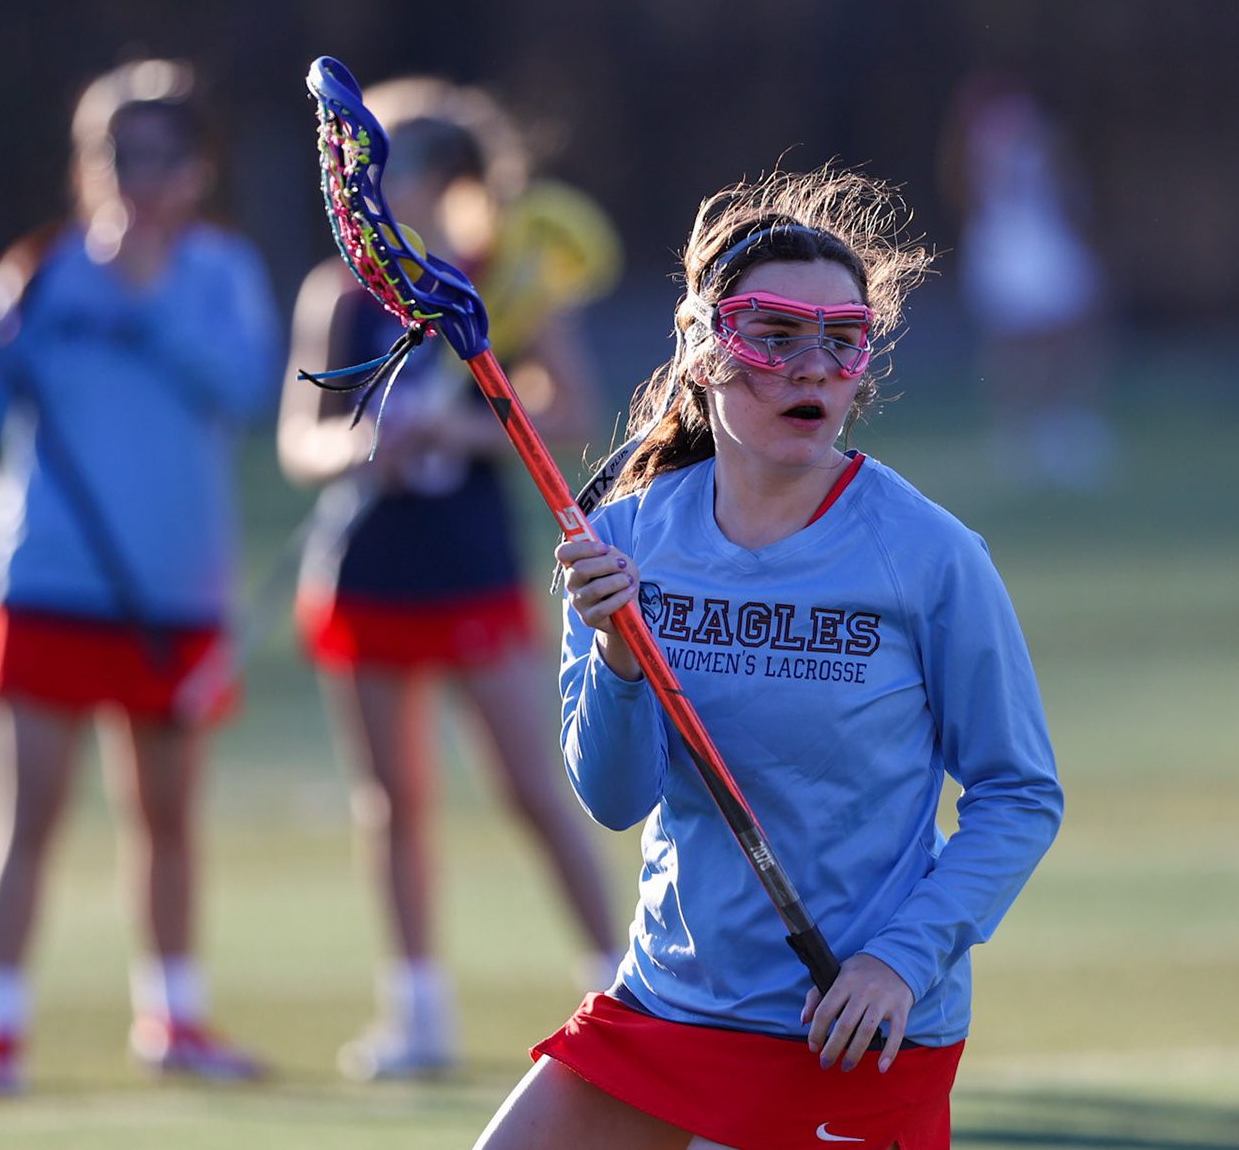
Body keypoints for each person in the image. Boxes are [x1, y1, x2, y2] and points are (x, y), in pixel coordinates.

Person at [476, 168, 1063, 1150]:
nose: (812, 367)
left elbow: (1019, 792)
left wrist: (900, 961)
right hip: (670, 1004)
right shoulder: (623, 538)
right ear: (706, 349)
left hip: (853, 1023)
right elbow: (615, 798)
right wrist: (621, 657)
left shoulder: (930, 554)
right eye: (775, 334)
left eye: (843, 339)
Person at [0, 60, 280, 1102]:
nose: (136, 176)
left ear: (196, 166)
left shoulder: (219, 270)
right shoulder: (40, 270)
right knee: (27, 811)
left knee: (166, 813)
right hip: (45, 575)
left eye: (158, 156)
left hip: (172, 588)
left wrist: (148, 298)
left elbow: (243, 383)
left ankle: (172, 1015)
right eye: (115, 156)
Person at [278, 77, 624, 1080]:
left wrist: (459, 427)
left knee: (530, 782)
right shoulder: (338, 296)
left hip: (468, 564)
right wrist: (359, 451)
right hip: (366, 567)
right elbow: (299, 439)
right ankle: (417, 1008)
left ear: (438, 181)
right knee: (391, 799)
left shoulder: (496, 284)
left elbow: (566, 407)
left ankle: (617, 986)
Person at [942, 73, 1112, 491]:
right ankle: (1023, 429)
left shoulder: (1021, 132)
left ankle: (1056, 425)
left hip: (1038, 241)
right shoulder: (994, 137)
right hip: (1010, 244)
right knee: (1020, 340)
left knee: (1056, 334)